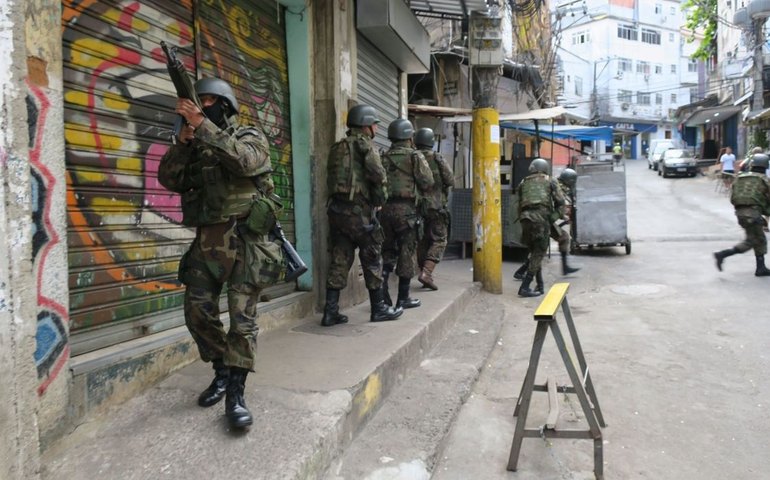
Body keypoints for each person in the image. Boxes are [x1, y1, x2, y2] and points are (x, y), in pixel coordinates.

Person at [158, 77, 274, 429]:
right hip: (207, 241)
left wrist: (201, 125)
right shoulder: (196, 143)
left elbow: (246, 163)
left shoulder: (248, 136)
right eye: (199, 102)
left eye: (207, 101)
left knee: (242, 321)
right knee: (197, 312)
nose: (201, 107)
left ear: (224, 104)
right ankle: (222, 369)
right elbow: (169, 179)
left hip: (244, 240)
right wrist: (182, 142)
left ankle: (236, 394)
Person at [322, 104, 402, 326]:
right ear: (367, 125)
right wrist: (379, 201)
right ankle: (379, 309)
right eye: (375, 124)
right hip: (360, 214)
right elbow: (377, 175)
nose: (376, 128)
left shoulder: (337, 147)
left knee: (339, 259)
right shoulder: (365, 146)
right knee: (372, 257)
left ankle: (330, 312)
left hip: (337, 212)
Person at [380, 119, 434, 309]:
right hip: (407, 212)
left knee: (387, 251)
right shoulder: (415, 156)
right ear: (409, 136)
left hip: (385, 211)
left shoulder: (383, 156)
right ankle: (403, 298)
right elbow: (428, 181)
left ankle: (382, 296)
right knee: (406, 252)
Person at [513, 167, 579, 284]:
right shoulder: (555, 184)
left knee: (560, 239)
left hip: (540, 217)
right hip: (543, 218)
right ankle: (525, 276)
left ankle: (563, 268)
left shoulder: (551, 182)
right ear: (570, 180)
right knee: (540, 248)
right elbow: (558, 203)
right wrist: (559, 216)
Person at [515, 158, 568, 297]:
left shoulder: (523, 182)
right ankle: (525, 286)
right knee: (539, 252)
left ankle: (540, 285)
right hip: (541, 218)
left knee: (534, 252)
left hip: (525, 219)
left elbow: (519, 205)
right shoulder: (550, 181)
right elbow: (561, 203)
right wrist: (553, 217)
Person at [714, 153, 770, 276]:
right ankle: (723, 254)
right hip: (753, 214)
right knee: (754, 241)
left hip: (740, 213)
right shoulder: (763, 179)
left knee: (756, 239)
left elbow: (733, 196)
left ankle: (760, 267)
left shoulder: (741, 177)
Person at [414, 128, 454, 290]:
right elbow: (450, 180)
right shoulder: (437, 158)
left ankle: (424, 271)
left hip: (416, 207)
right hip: (436, 207)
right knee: (439, 239)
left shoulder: (413, 157)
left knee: (422, 241)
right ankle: (426, 273)